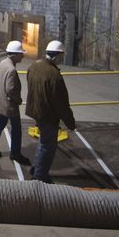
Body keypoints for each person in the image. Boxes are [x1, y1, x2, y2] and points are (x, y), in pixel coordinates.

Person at [25, 40, 75, 184]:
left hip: (36, 110)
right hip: (47, 115)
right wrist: (70, 123)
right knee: (48, 146)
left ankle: (36, 168)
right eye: (61, 55)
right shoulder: (54, 76)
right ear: (58, 55)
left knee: (43, 142)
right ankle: (39, 177)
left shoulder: (34, 66)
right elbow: (61, 104)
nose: (62, 58)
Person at [0, 40, 31, 165]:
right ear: (15, 55)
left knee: (0, 124)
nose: (22, 56)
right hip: (9, 105)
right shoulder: (11, 70)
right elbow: (10, 89)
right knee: (16, 129)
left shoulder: (3, 62)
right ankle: (15, 154)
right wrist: (19, 100)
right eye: (21, 53)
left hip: (1, 101)